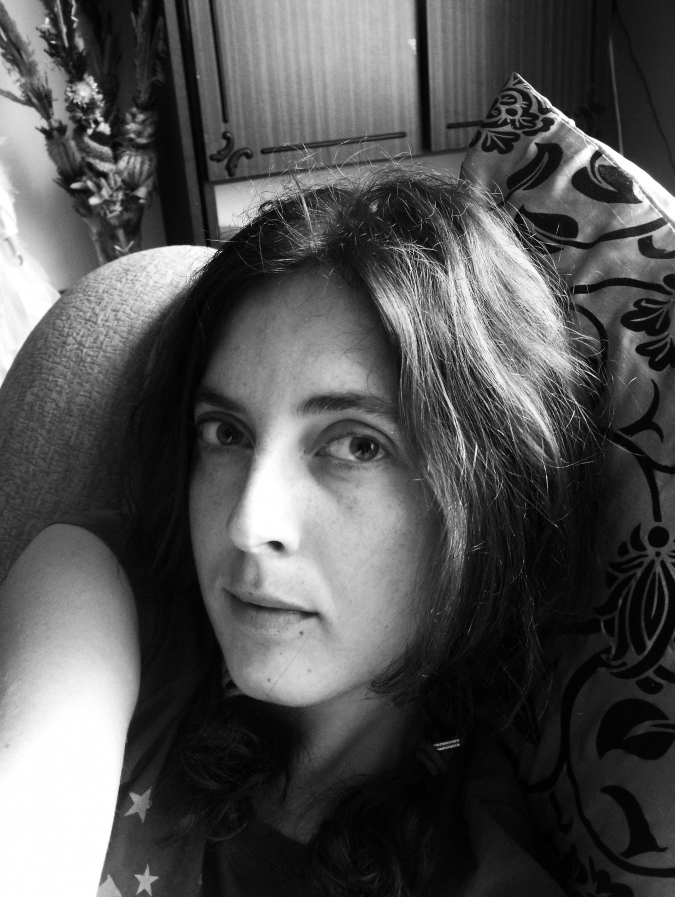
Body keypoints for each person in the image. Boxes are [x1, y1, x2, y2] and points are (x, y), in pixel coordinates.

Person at [0, 168, 597, 897]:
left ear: (488, 492)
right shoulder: (102, 597)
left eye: (356, 445)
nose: (247, 524)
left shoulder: (483, 869)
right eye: (226, 433)